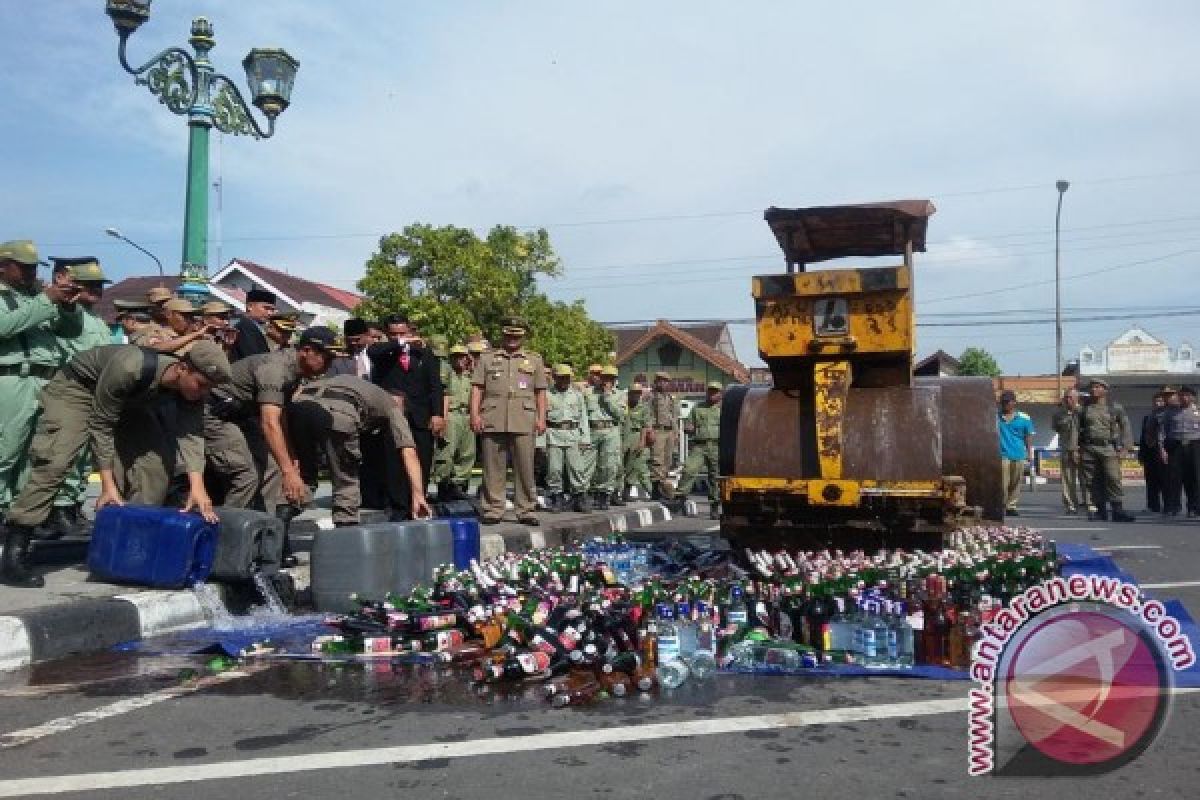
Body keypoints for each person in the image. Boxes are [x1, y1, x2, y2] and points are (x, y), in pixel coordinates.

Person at [0, 340, 231, 587]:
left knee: (154, 467)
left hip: (131, 402)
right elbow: (101, 425)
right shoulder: (130, 366)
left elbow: (192, 434)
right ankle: (15, 551)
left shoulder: (190, 391)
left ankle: (128, 550)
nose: (203, 392)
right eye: (202, 384)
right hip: (78, 390)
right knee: (56, 461)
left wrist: (197, 486)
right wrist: (108, 485)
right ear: (182, 368)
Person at [204, 327, 338, 514]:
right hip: (214, 414)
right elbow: (269, 423)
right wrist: (289, 472)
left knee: (274, 469)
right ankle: (226, 532)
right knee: (246, 475)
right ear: (306, 351)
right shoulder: (276, 369)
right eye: (327, 358)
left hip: (241, 416)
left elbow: (280, 416)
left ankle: (265, 527)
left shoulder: (295, 371)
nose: (329, 365)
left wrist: (290, 457)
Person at [0, 240, 83, 518]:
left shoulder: (34, 295)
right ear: (3, 267)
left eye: (34, 267)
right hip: (12, 378)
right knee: (6, 450)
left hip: (45, 380)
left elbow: (69, 332)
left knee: (37, 454)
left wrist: (69, 307)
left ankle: (21, 515)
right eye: (23, 267)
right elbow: (5, 326)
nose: (31, 273)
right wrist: (46, 299)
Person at [288, 375, 431, 527]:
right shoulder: (393, 406)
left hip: (299, 406)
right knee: (346, 480)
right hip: (339, 411)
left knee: (302, 474)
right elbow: (409, 452)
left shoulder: (362, 387)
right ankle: (346, 528)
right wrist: (418, 495)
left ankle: (282, 513)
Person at [46, 258, 115, 537]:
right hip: (71, 389)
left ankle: (73, 506)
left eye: (99, 285)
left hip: (95, 392)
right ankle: (59, 509)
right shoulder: (66, 314)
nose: (96, 290)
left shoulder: (97, 319)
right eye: (89, 285)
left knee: (86, 457)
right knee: (67, 454)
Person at [470, 315, 547, 525]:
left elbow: (540, 392)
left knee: (525, 467)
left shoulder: (534, 360)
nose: (512, 339)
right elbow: (477, 388)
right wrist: (474, 414)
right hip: (493, 416)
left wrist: (542, 418)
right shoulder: (487, 358)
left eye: (516, 336)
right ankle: (493, 509)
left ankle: (526, 509)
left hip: (524, 417)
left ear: (523, 337)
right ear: (503, 334)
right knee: (493, 466)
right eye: (508, 335)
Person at [367, 314, 445, 506]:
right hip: (394, 414)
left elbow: (435, 385)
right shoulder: (383, 352)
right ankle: (398, 504)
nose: (398, 336)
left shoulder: (424, 353)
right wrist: (400, 342)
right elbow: (373, 352)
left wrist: (438, 414)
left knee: (423, 458)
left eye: (403, 332)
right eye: (394, 334)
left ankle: (419, 500)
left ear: (410, 330)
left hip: (420, 415)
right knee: (393, 461)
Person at [1074, 378, 1135, 522]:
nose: (1093, 390)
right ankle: (1100, 510)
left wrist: (1126, 447)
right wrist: (1074, 449)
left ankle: (1117, 510)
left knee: (1113, 477)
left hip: (1108, 447)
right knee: (1092, 480)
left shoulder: (1115, 407)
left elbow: (1126, 427)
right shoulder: (1083, 408)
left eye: (1096, 387)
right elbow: (1075, 430)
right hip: (1088, 447)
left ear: (1105, 390)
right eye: (1091, 387)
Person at [431, 345, 476, 502]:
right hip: (451, 414)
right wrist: (443, 419)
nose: (460, 359)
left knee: (467, 453)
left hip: (466, 415)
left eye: (463, 356)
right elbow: (445, 397)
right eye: (456, 356)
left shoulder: (470, 376)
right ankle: (443, 485)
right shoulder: (447, 373)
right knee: (446, 452)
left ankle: (458, 484)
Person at [543, 364, 590, 512]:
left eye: (567, 377)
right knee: (554, 469)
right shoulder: (546, 395)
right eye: (561, 377)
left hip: (573, 434)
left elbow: (583, 418)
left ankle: (579, 497)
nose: (564, 380)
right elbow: (541, 419)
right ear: (555, 378)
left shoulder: (577, 395)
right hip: (554, 434)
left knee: (576, 469)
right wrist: (540, 441)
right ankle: (557, 497)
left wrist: (585, 438)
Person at [673, 382, 724, 519]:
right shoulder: (698, 408)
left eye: (715, 392)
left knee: (715, 477)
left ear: (720, 394)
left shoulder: (724, 409)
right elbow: (689, 424)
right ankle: (680, 500)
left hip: (716, 446)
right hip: (699, 446)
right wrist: (688, 428)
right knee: (689, 469)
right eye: (710, 391)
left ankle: (714, 506)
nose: (712, 394)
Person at [586, 365, 625, 511]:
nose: (607, 381)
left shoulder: (620, 395)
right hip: (592, 429)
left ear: (615, 380)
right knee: (588, 465)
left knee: (608, 465)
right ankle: (591, 493)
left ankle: (604, 494)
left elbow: (620, 415)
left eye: (610, 378)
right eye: (605, 378)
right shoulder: (589, 393)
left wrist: (608, 396)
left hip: (610, 430)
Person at [1160, 385, 1200, 517]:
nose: (1184, 397)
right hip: (1175, 445)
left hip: (1194, 445)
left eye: (1187, 395)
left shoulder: (1198, 411)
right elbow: (1163, 430)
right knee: (1174, 477)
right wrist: (1163, 449)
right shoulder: (1170, 411)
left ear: (1193, 397)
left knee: (1194, 477)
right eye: (1182, 395)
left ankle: (1193, 508)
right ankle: (1174, 506)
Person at [996, 390, 1034, 516]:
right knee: (1002, 482)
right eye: (1003, 402)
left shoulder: (1024, 417)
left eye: (1008, 401)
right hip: (1002, 454)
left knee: (1015, 482)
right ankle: (1001, 504)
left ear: (1014, 402)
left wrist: (1029, 453)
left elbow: (1028, 436)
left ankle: (1011, 506)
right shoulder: (995, 416)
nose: (1005, 404)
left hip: (1018, 454)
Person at [644, 371, 679, 500]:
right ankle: (656, 489)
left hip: (669, 432)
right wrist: (649, 430)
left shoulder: (670, 398)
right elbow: (647, 414)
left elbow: (674, 417)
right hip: (657, 430)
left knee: (667, 461)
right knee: (656, 460)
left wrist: (676, 434)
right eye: (660, 380)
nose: (662, 383)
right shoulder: (651, 396)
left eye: (665, 381)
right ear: (656, 382)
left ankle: (663, 487)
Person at [1052, 387, 1087, 515]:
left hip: (1083, 450)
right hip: (1066, 449)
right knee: (1067, 479)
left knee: (1085, 478)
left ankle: (1089, 503)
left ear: (1077, 398)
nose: (1068, 400)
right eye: (1066, 397)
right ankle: (1071, 505)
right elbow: (1056, 428)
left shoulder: (1084, 412)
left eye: (1070, 397)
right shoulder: (1058, 414)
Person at [1139, 388, 1172, 514]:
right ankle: (1153, 506)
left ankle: (1168, 505)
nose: (1158, 403)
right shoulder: (1148, 417)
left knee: (1165, 480)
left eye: (1160, 401)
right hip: (1150, 451)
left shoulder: (1167, 416)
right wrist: (1141, 454)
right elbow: (1144, 436)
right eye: (1156, 401)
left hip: (1163, 451)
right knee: (1151, 481)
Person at [621, 382, 652, 501]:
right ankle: (613, 493)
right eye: (634, 393)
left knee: (634, 466)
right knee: (619, 465)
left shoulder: (643, 407)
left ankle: (626, 492)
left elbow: (645, 426)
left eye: (638, 393)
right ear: (629, 393)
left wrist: (642, 441)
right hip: (623, 435)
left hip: (636, 435)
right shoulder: (623, 405)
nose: (636, 396)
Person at [228, 288, 276, 361]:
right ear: (250, 306)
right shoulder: (243, 328)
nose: (270, 313)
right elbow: (255, 360)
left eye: (272, 310)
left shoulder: (255, 328)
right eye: (266, 308)